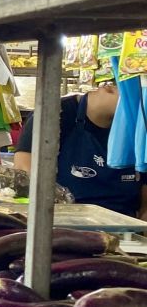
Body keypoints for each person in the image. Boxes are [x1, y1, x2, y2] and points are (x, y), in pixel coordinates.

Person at [14, 78, 146, 218]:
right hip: (62, 222)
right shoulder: (54, 114)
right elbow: (24, 171)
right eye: (139, 101)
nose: (142, 111)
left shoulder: (140, 128)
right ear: (108, 88)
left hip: (125, 228)